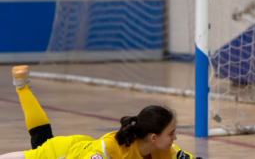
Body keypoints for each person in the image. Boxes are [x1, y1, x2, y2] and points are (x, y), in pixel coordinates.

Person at [0, 65, 201, 159]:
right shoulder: (111, 149)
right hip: (62, 153)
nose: (175, 137)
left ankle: (21, 86)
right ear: (154, 137)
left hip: (82, 143)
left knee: (40, 136)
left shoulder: (165, 151)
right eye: (171, 133)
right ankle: (21, 87)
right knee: (38, 147)